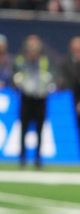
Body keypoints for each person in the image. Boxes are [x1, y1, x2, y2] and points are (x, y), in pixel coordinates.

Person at [13, 34, 55, 169]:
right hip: (26, 98)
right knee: (24, 129)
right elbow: (15, 75)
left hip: (40, 98)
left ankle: (37, 158)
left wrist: (50, 83)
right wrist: (17, 81)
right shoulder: (21, 60)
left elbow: (53, 76)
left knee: (39, 130)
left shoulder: (44, 61)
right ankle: (23, 158)